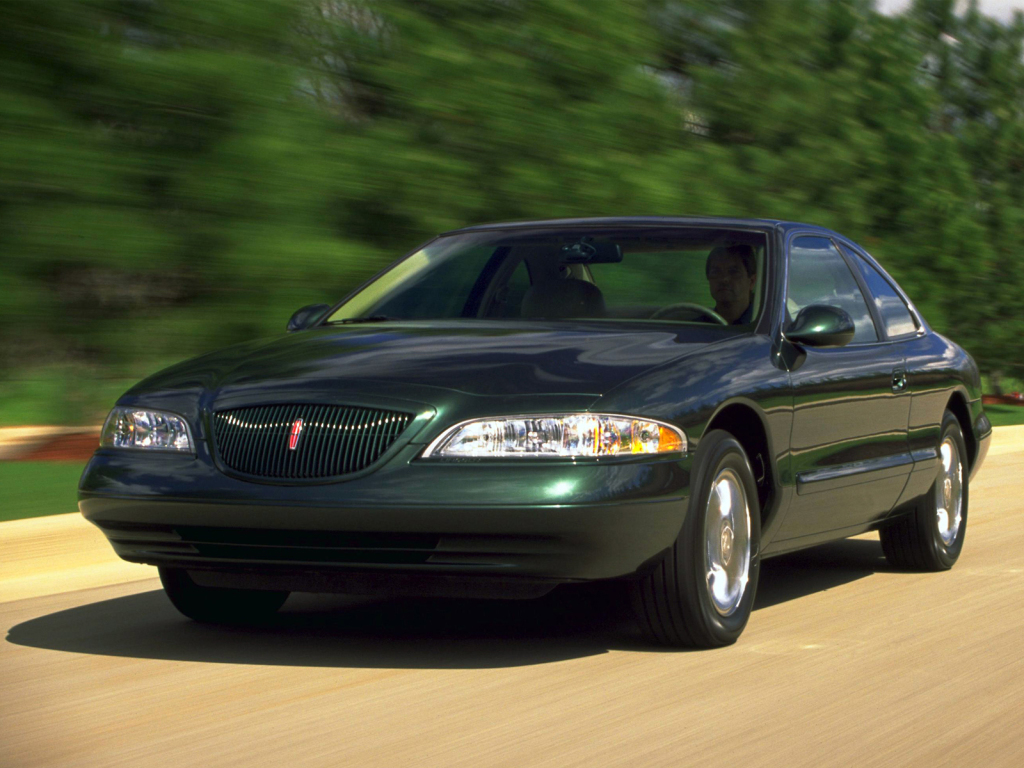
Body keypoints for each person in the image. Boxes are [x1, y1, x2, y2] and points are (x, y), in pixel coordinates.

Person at [706, 244, 757, 324]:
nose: (724, 279)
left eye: (734, 272)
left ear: (752, 281)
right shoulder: (698, 325)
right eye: (716, 272)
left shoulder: (761, 325)